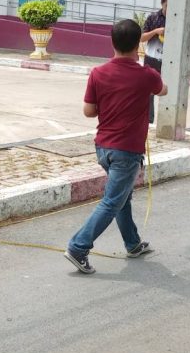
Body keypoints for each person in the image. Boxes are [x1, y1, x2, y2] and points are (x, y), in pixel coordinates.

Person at [64, 19, 168, 275]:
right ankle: (78, 247)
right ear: (138, 45)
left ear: (112, 43)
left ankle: (132, 243)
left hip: (103, 148)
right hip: (127, 151)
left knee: (122, 197)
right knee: (112, 201)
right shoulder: (146, 75)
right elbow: (163, 90)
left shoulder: (98, 73)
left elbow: (89, 111)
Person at [140, 0, 168, 72]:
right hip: (151, 58)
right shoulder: (153, 17)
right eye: (167, 6)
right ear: (162, 3)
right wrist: (155, 31)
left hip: (169, 61)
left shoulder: (177, 20)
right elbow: (142, 38)